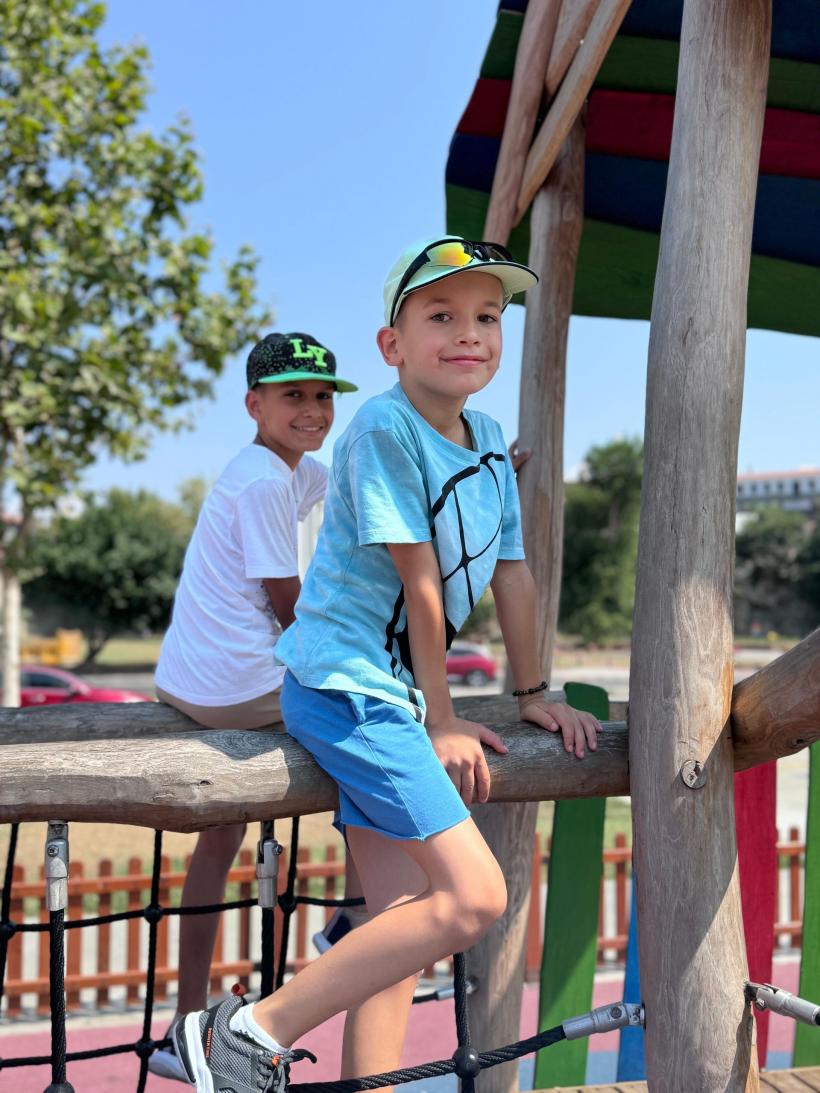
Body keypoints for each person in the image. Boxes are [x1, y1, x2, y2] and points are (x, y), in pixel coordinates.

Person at [173, 237, 602, 1093]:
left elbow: (512, 571)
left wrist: (532, 692)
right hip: (349, 689)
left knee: (403, 922)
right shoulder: (381, 425)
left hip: (391, 694)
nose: (469, 332)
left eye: (488, 316)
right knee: (474, 897)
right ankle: (245, 1031)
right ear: (392, 344)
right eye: (441, 314)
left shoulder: (487, 439)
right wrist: (442, 717)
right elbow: (420, 579)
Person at [149, 332, 360, 1083]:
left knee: (221, 836)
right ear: (254, 405)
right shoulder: (267, 482)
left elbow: (356, 481)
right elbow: (286, 605)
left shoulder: (283, 468)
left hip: (189, 679)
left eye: (323, 396)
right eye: (293, 395)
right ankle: (354, 915)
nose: (313, 410)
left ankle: (183, 1024)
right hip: (237, 684)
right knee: (380, 720)